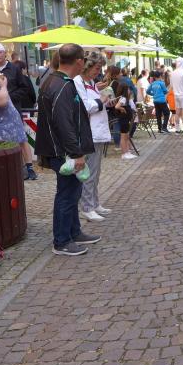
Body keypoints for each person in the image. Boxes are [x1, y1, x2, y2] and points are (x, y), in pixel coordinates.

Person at [36, 43, 101, 256]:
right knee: (67, 194)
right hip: (63, 151)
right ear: (79, 61)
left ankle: (74, 232)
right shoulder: (61, 85)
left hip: (60, 148)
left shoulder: (56, 81)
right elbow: (64, 123)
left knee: (72, 192)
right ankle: (62, 241)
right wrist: (76, 153)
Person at [0, 42, 38, 180]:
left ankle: (29, 167)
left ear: (5, 53)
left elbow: (24, 88)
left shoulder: (14, 68)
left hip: (14, 108)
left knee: (21, 137)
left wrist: (9, 97)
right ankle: (5, 167)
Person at [74, 52, 112, 222]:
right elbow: (86, 106)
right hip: (90, 133)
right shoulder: (78, 81)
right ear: (87, 66)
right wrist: (101, 101)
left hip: (97, 132)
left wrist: (105, 101)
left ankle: (94, 203)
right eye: (97, 68)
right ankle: (87, 207)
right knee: (89, 172)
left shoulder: (91, 82)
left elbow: (94, 103)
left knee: (95, 172)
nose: (99, 72)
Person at [114, 82, 136, 159]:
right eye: (128, 89)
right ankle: (124, 153)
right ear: (125, 90)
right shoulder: (123, 98)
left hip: (126, 120)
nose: (130, 91)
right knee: (123, 137)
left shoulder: (126, 99)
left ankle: (127, 152)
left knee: (126, 136)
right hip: (123, 120)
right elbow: (116, 106)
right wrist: (122, 108)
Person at [171, 58, 183, 134]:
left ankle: (177, 129)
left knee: (177, 113)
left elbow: (171, 85)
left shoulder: (173, 73)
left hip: (176, 95)